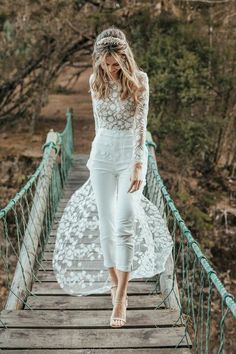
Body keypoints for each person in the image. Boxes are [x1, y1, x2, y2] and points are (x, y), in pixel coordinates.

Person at [52, 26, 173, 329]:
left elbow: (141, 125)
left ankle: (122, 295)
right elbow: (98, 125)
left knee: (126, 220)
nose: (111, 68)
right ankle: (113, 283)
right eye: (106, 63)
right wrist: (94, 159)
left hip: (130, 157)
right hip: (102, 156)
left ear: (124, 56)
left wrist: (136, 164)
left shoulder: (140, 80)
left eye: (116, 62)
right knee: (107, 224)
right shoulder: (95, 81)